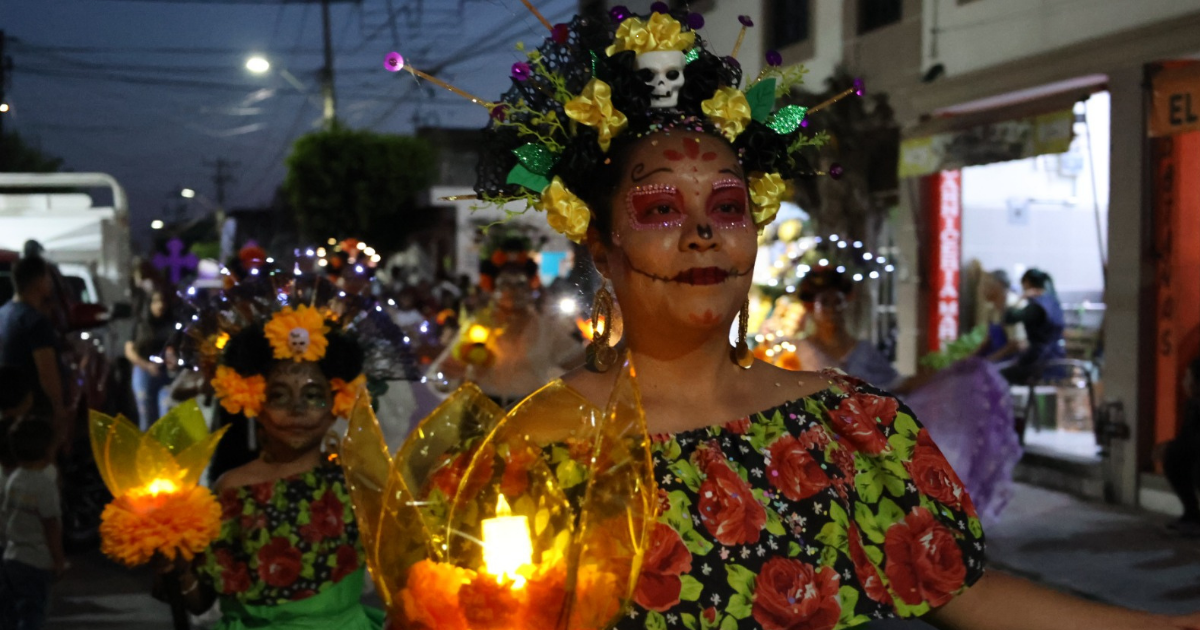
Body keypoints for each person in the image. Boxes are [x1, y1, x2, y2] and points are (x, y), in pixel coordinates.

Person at [465, 8, 1199, 629]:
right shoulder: (531, 454)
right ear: (600, 240)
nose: (703, 233)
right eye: (661, 209)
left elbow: (971, 596)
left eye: (727, 206)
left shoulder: (855, 428)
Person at [160, 275, 417, 630]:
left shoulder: (357, 484)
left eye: (312, 396)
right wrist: (178, 564)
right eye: (280, 396)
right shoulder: (230, 488)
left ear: (335, 403)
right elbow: (201, 600)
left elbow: (405, 578)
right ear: (255, 402)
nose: (297, 410)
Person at [790, 267, 1022, 525]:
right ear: (812, 306)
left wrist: (953, 371)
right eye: (825, 302)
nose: (832, 309)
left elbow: (897, 386)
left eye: (837, 301)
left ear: (848, 303)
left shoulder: (864, 350)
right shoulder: (799, 351)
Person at [431, 235, 583, 407]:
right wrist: (456, 373)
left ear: (530, 285)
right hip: (484, 415)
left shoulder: (546, 327)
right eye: (505, 284)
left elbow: (582, 367)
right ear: (493, 287)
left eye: (519, 283)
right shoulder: (479, 325)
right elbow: (438, 378)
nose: (513, 291)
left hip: (529, 415)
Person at [0, 416, 65, 630]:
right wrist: (58, 559)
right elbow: (51, 525)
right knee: (32, 614)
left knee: (10, 613)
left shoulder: (14, 479)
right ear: (47, 449)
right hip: (36, 562)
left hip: (12, 558)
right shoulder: (45, 485)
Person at [0, 256, 66, 443]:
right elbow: (47, 373)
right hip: (34, 414)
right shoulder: (35, 322)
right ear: (40, 281)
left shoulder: (3, 314)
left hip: (9, 409)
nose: (50, 283)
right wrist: (58, 410)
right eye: (48, 277)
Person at [1000, 268, 1066, 385]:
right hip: (1057, 356)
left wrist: (1021, 298)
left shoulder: (1037, 307)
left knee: (1000, 375)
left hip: (1039, 360)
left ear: (1027, 283)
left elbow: (1009, 317)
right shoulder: (1052, 300)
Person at [1159, 356, 1200, 537]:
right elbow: (1187, 437)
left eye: (1188, 378)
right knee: (1172, 457)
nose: (1184, 383)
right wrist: (1169, 446)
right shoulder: (1192, 405)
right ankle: (1192, 514)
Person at [124, 287, 176, 430]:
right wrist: (147, 366)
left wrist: (172, 359)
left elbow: (174, 348)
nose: (160, 305)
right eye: (156, 302)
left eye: (163, 301)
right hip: (144, 373)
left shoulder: (171, 323)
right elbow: (129, 351)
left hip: (166, 374)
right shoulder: (140, 324)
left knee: (166, 413)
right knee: (147, 417)